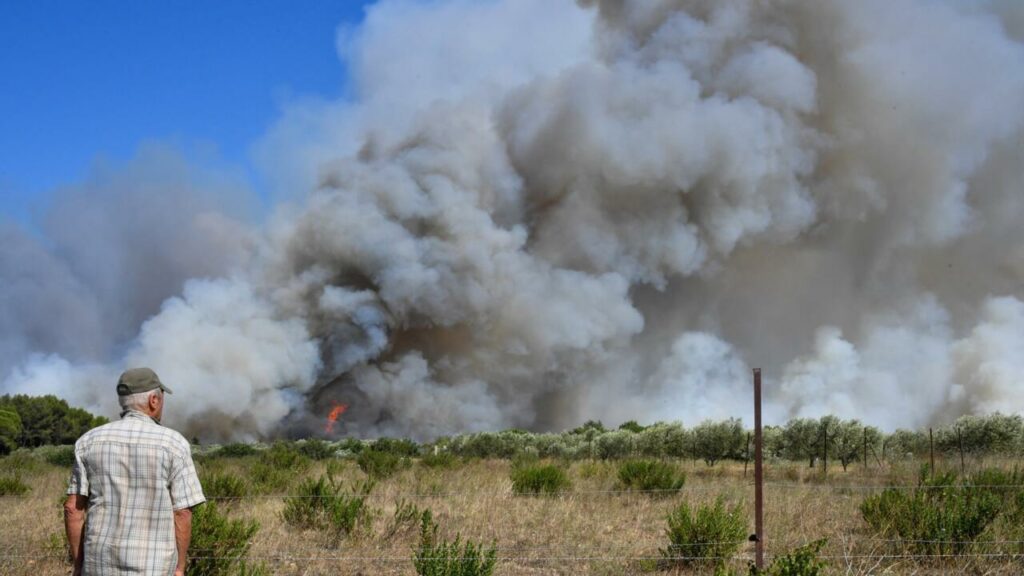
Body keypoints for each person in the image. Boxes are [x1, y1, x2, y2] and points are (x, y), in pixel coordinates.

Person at [64, 367, 206, 576]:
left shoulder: (88, 441)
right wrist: (180, 567)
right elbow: (182, 512)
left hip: (98, 566)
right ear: (154, 401)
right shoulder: (174, 444)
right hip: (154, 568)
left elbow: (72, 509)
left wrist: (79, 565)